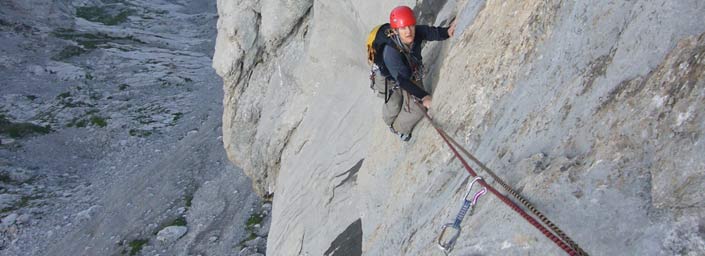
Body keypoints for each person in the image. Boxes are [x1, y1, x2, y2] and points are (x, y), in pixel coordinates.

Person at [373, 5, 456, 141]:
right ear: (395, 31)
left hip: (404, 71)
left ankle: (399, 126)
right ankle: (393, 126)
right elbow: (402, 81)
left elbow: (429, 32)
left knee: (417, 107)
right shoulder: (390, 52)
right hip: (387, 77)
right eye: (403, 28)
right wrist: (424, 96)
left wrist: (447, 31)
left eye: (411, 26)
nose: (408, 31)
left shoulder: (415, 33)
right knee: (395, 102)